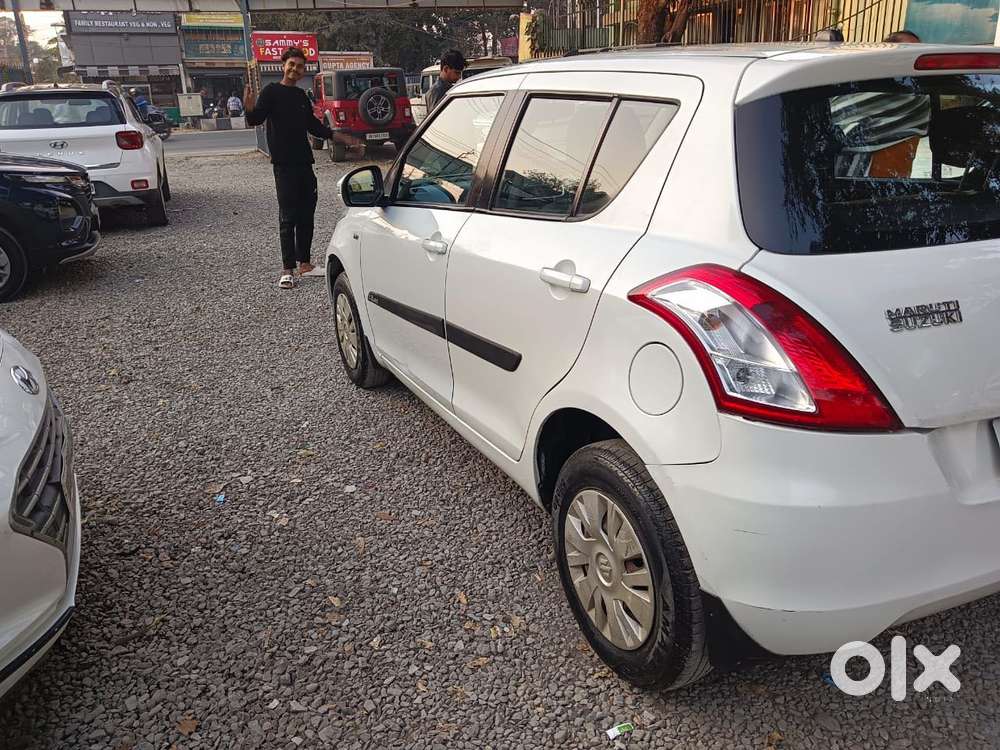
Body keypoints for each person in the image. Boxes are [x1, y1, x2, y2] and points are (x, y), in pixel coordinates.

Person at [244, 47, 334, 289]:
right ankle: (288, 269)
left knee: (307, 214)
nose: (295, 69)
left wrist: (338, 136)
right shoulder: (272, 92)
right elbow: (255, 119)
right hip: (283, 165)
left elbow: (313, 126)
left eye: (300, 66)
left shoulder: (301, 97)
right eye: (291, 64)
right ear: (283, 65)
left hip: (305, 163)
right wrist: (249, 106)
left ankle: (305, 263)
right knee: (288, 216)